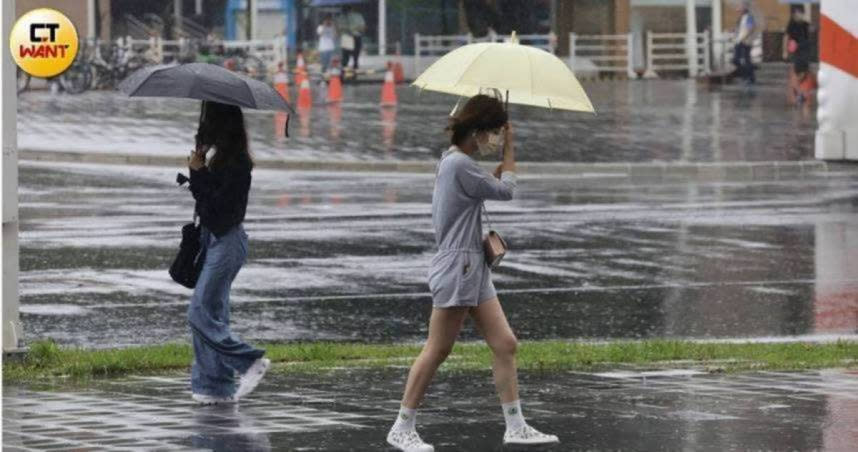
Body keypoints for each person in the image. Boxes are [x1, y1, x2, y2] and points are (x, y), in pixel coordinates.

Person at [386, 95, 559, 451]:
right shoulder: (459, 164)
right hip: (458, 267)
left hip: (472, 266)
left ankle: (516, 425)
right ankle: (402, 426)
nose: (495, 139)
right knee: (438, 348)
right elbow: (507, 191)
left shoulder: (455, 162)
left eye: (499, 134)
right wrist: (511, 148)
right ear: (477, 131)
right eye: (494, 132)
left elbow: (482, 188)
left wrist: (496, 165)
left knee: (505, 344)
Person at [187, 101, 270, 405]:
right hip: (213, 240)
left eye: (209, 120)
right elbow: (207, 204)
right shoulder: (219, 159)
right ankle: (214, 387)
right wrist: (198, 167)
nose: (204, 125)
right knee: (214, 313)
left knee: (198, 311)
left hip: (227, 241)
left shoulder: (237, 163)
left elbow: (220, 212)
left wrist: (197, 175)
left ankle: (249, 361)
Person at [783, 6, 811, 97]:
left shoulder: (805, 24)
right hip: (795, 50)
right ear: (795, 14)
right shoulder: (791, 24)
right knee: (798, 70)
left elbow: (808, 38)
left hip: (804, 49)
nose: (801, 15)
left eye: (802, 13)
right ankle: (799, 91)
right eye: (799, 13)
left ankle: (798, 89)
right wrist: (785, 51)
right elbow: (786, 37)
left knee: (804, 71)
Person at [732, 3, 757, 84]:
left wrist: (743, 38)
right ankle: (746, 75)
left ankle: (749, 77)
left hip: (745, 41)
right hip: (738, 41)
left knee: (746, 60)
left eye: (740, 8)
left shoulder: (749, 17)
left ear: (744, 9)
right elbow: (739, 29)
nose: (738, 10)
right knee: (736, 60)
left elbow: (750, 29)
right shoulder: (741, 18)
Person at [339, 5, 366, 70]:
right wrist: (356, 28)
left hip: (347, 37)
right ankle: (354, 67)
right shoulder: (358, 16)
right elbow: (363, 27)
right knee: (355, 54)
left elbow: (340, 28)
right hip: (356, 36)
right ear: (352, 8)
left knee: (346, 55)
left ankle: (345, 69)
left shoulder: (342, 17)